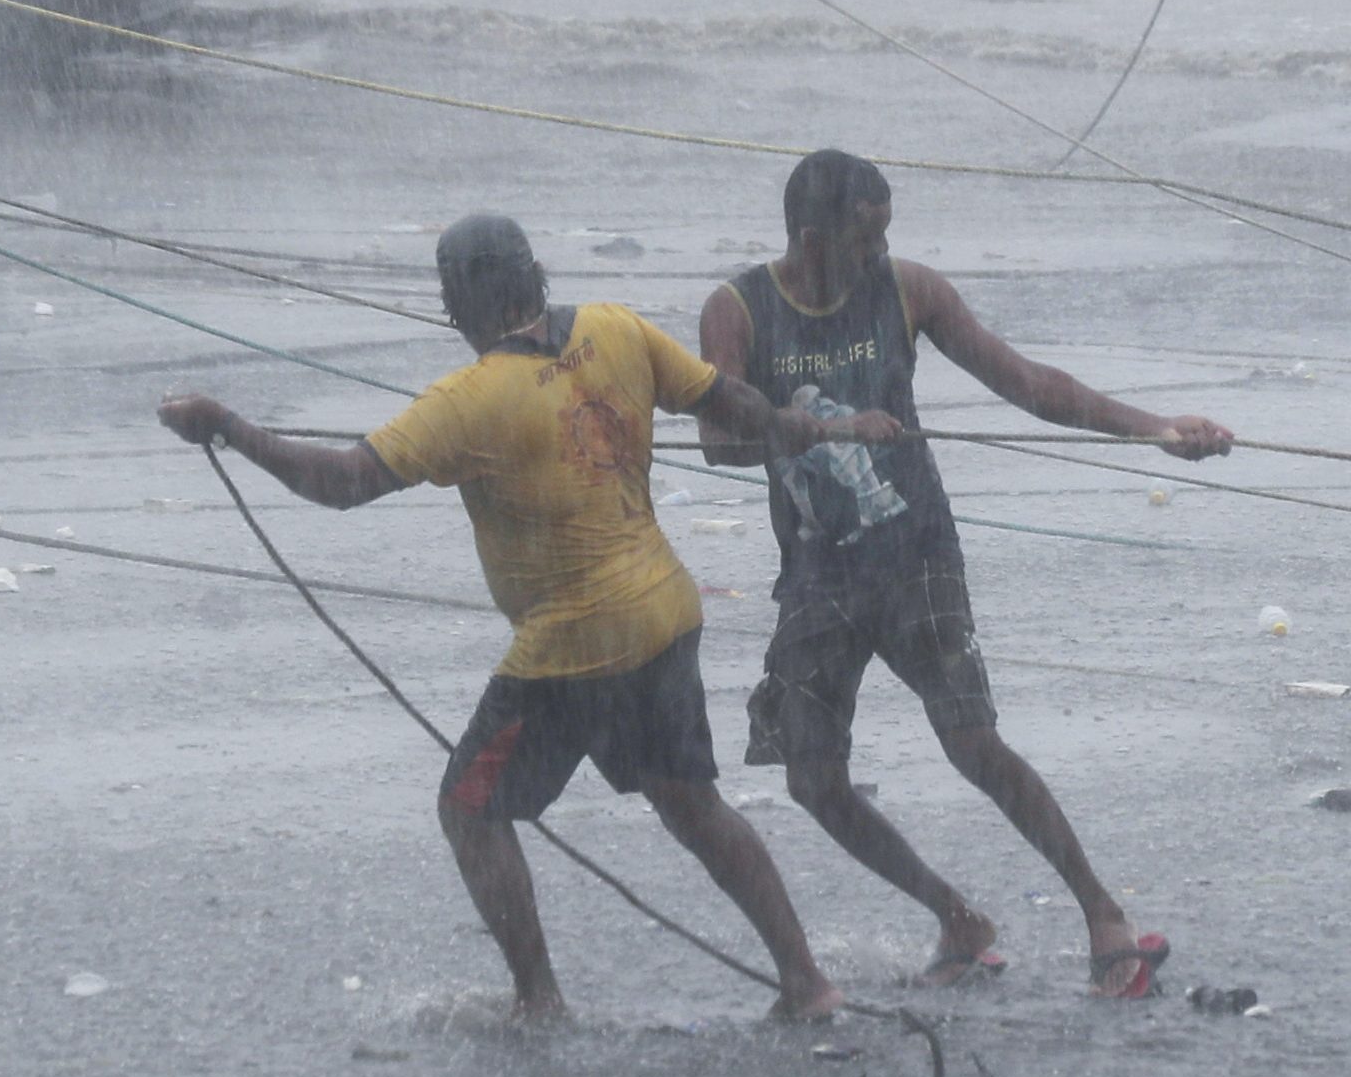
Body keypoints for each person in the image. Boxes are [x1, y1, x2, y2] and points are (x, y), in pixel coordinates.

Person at [159, 213, 861, 1026]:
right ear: (535, 278)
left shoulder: (467, 400)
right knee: (693, 804)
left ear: (458, 301)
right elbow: (726, 398)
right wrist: (792, 425)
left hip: (573, 645)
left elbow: (346, 481)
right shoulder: (615, 328)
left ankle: (539, 1000)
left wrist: (231, 430)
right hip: (666, 612)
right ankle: (807, 981)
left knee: (470, 809)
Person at [701, 149, 1235, 998]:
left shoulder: (911, 290)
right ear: (813, 237)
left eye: (885, 235)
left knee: (973, 745)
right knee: (812, 781)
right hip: (815, 572)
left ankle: (1101, 912)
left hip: (916, 553)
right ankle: (957, 917)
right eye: (866, 237)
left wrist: (1156, 430)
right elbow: (718, 440)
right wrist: (821, 431)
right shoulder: (739, 310)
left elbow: (1029, 386)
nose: (880, 253)